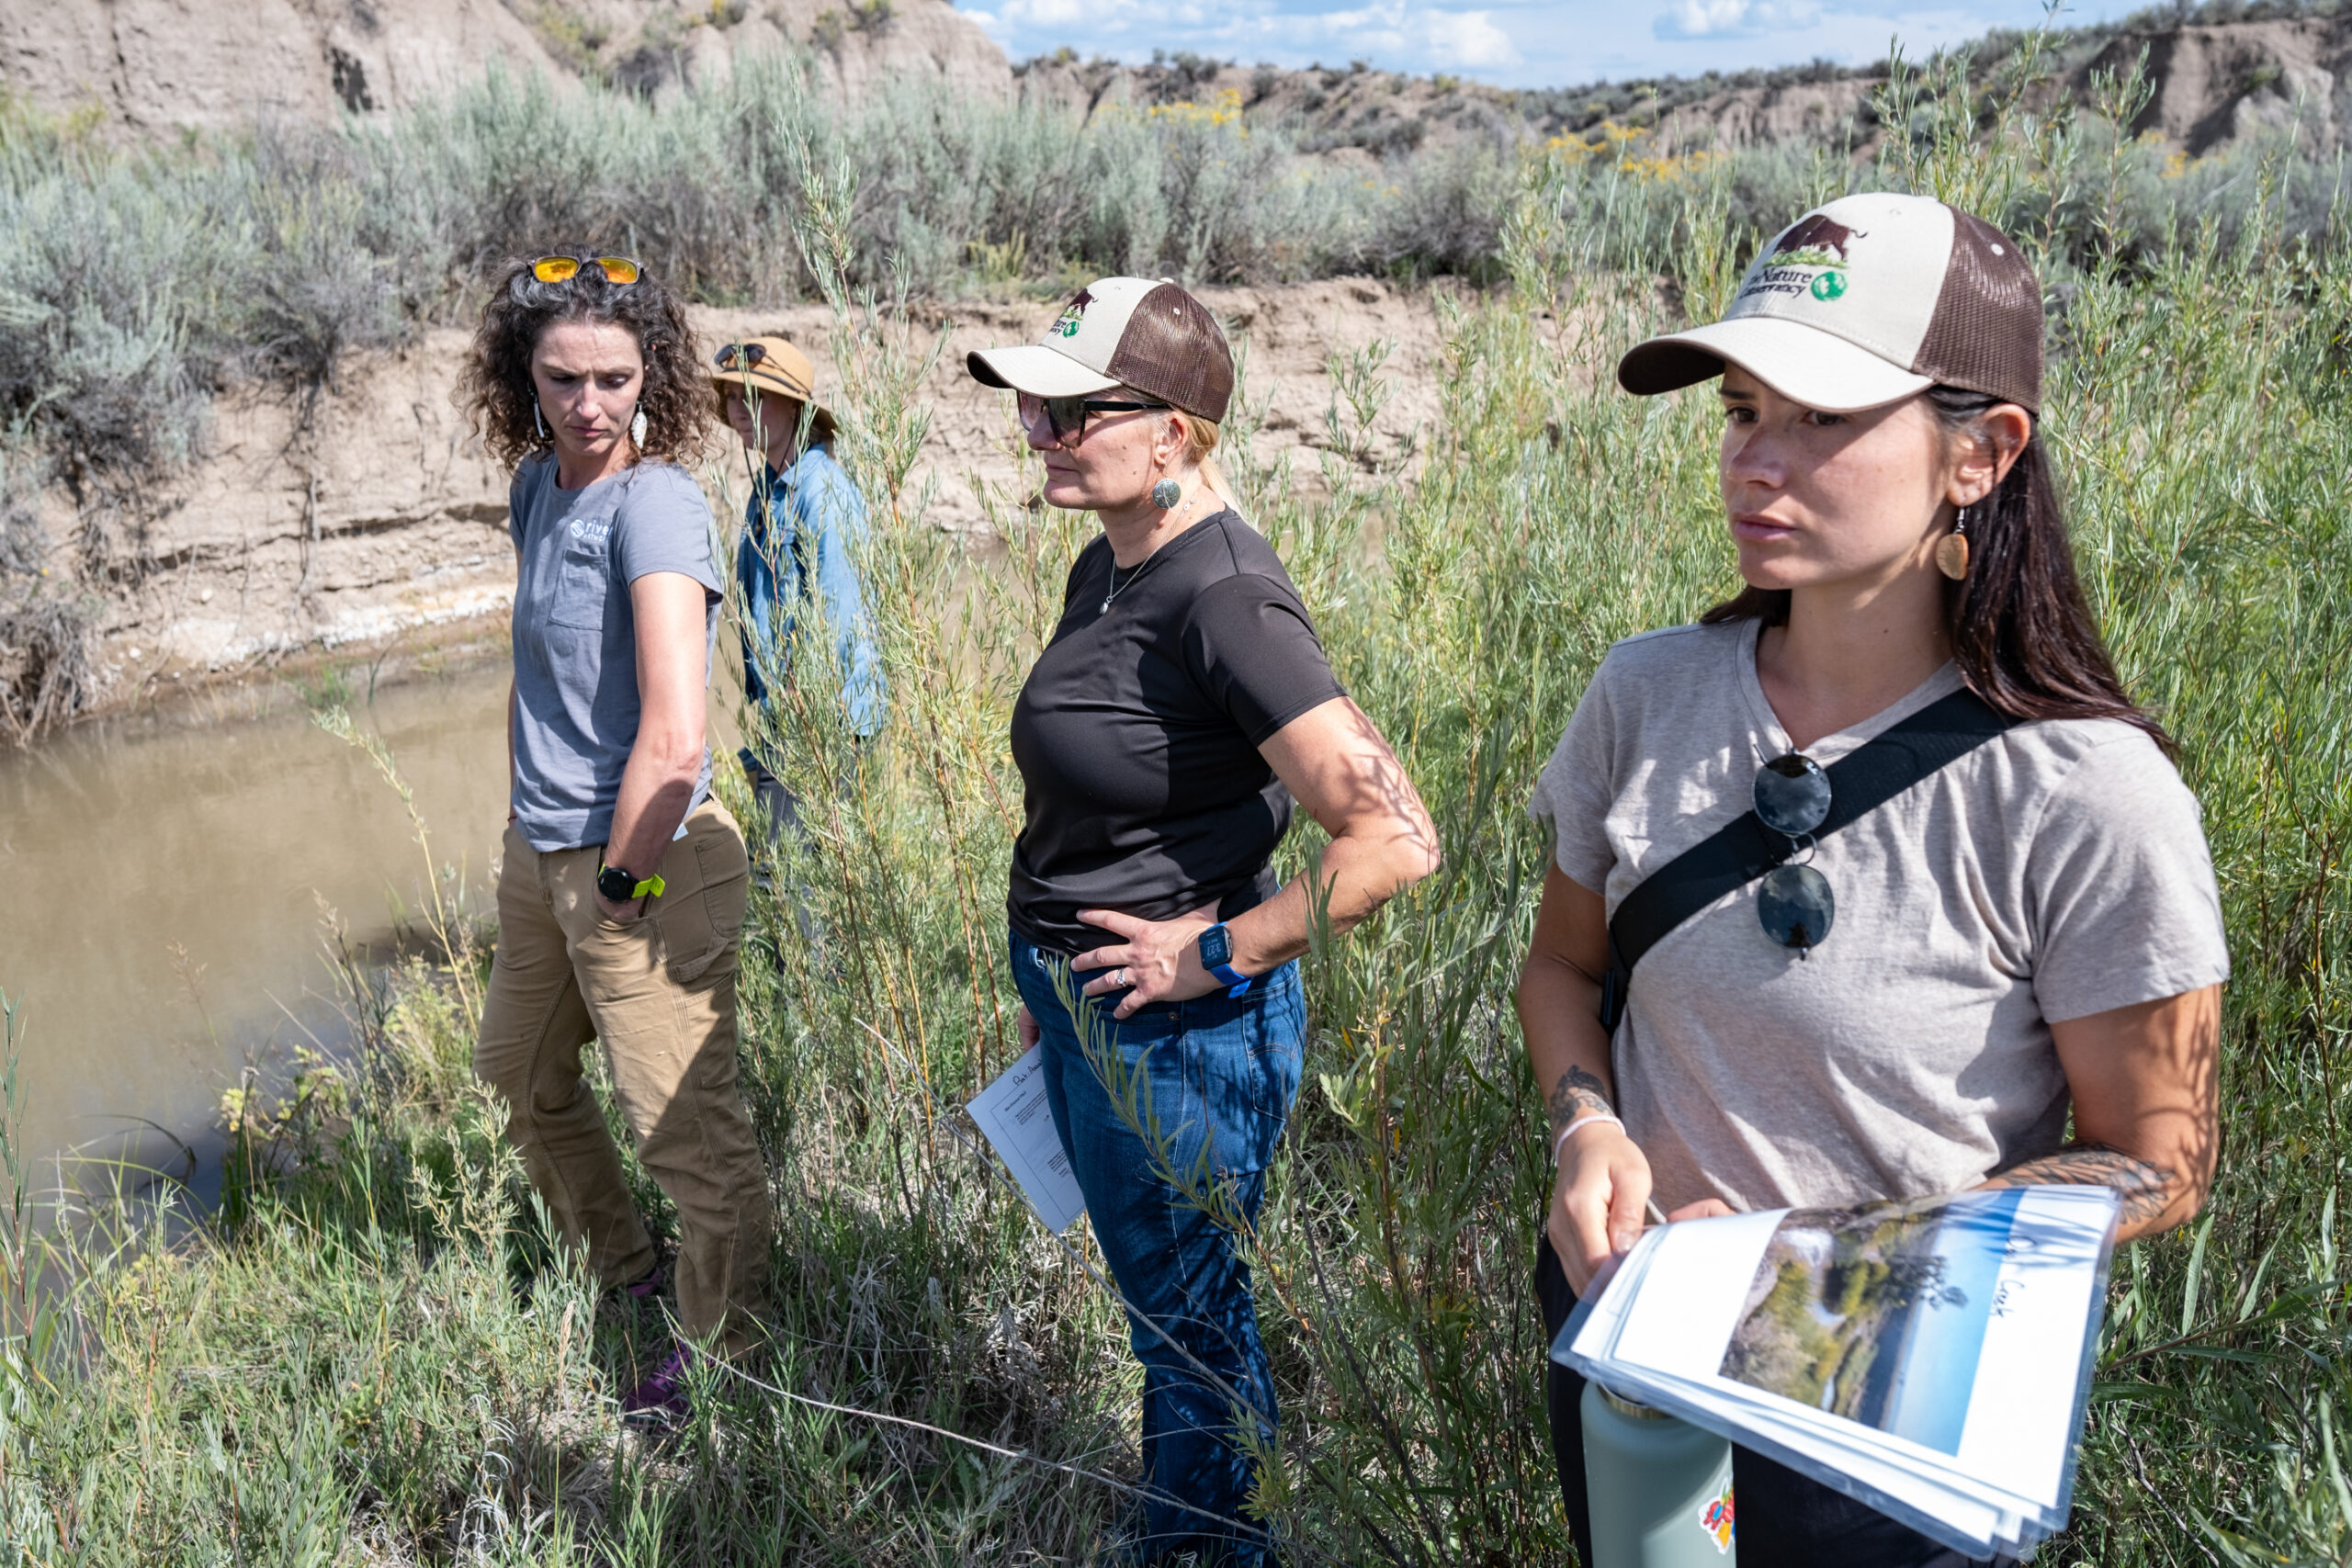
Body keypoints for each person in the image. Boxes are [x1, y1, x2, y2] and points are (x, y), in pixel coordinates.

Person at [1518, 193, 2229, 1565]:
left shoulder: (2089, 792)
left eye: (1824, 418)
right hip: (1630, 1359)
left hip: (1887, 1425)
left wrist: (1831, 1258)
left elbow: (2162, 1156)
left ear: (1983, 450)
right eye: (1740, 412)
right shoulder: (1645, 692)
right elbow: (1566, 967)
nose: (1753, 462)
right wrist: (1586, 1127)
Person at [968, 276, 1441, 1565]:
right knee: (1165, 1309)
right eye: (1034, 407)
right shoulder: (1114, 559)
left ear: (1173, 430)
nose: (1042, 431)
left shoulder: (1225, 595)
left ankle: (1208, 1541)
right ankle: (1189, 1523)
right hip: (1095, 1006)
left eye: (1074, 410)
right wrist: (1046, 975)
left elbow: (1397, 837)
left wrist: (1212, 951)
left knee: (1189, 1321)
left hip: (1179, 1034)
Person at [459, 252, 772, 1427]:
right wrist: (522, 818)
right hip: (540, 855)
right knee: (520, 1077)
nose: (590, 405)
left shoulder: (659, 505)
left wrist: (624, 879)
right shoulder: (538, 488)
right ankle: (628, 1272)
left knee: (687, 1134)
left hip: (644, 859)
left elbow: (678, 739)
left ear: (653, 377)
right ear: (522, 378)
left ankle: (722, 1355)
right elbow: (533, 678)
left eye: (614, 379)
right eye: (562, 378)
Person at [709, 333, 886, 852]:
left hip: (822, 726)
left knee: (809, 902)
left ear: (794, 407)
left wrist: (815, 734)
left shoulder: (821, 491)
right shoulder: (766, 491)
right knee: (787, 885)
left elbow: (841, 617)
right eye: (733, 397)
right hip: (784, 720)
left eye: (755, 396)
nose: (739, 409)